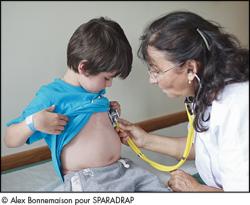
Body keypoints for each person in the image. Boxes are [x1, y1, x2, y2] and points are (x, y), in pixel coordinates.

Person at [4, 17, 169, 192]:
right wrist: (33, 122)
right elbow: (9, 139)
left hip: (123, 169)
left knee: (158, 189)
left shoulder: (94, 92)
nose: (109, 84)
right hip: (89, 180)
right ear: (83, 67)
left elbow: (91, 126)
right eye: (107, 78)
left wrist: (109, 113)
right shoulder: (51, 96)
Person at [118, 11, 249, 192]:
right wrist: (145, 140)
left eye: (156, 70)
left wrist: (196, 190)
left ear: (190, 68)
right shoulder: (205, 91)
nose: (152, 80)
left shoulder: (237, 105)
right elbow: (202, 149)